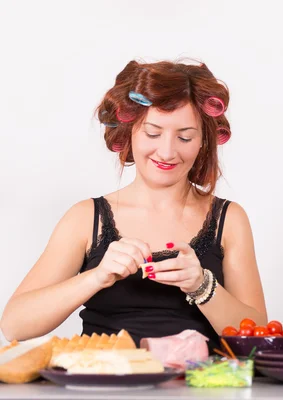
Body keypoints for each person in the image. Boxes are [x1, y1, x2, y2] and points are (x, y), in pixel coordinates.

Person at [0, 60, 267, 350]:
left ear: (204, 141)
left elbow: (261, 338)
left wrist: (203, 286)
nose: (166, 151)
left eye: (185, 137)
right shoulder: (86, 218)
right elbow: (14, 325)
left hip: (198, 388)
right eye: (152, 133)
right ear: (129, 132)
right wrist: (96, 277)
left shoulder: (229, 219)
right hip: (104, 386)